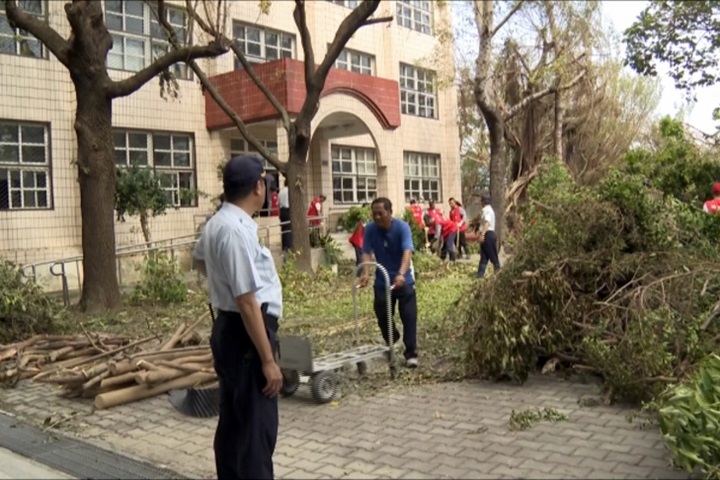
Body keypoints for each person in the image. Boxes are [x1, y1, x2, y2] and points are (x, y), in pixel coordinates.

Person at [192, 155, 283, 480]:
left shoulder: (219, 222)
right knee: (256, 430)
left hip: (231, 329)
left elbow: (199, 259)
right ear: (258, 186)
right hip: (246, 332)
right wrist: (268, 360)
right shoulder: (232, 230)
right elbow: (247, 302)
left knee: (234, 422)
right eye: (267, 185)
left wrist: (221, 282)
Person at [358, 198, 418, 368]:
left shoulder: (402, 227)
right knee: (381, 311)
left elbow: (407, 252)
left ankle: (411, 354)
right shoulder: (370, 229)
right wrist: (366, 272)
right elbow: (366, 252)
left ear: (389, 213)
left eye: (381, 214)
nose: (377, 217)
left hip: (403, 279)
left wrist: (401, 274)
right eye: (374, 214)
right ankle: (392, 338)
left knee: (409, 317)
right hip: (382, 280)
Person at [476, 194, 501, 278]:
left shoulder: (487, 210)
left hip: (488, 234)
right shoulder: (486, 210)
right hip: (487, 233)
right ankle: (480, 274)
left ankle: (498, 272)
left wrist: (482, 234)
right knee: (484, 256)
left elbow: (487, 223)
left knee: (492, 255)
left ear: (483, 201)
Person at [349, 203, 370, 267]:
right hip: (358, 241)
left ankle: (360, 272)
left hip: (360, 241)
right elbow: (365, 228)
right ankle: (358, 273)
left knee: (361, 258)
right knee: (360, 258)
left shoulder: (365, 219)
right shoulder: (363, 219)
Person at [278, 179, 291, 251]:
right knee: (289, 228)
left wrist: (279, 214)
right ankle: (288, 246)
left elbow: (278, 203)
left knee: (283, 228)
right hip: (288, 210)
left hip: (282, 211)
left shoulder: (281, 192)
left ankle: (284, 245)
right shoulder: (290, 191)